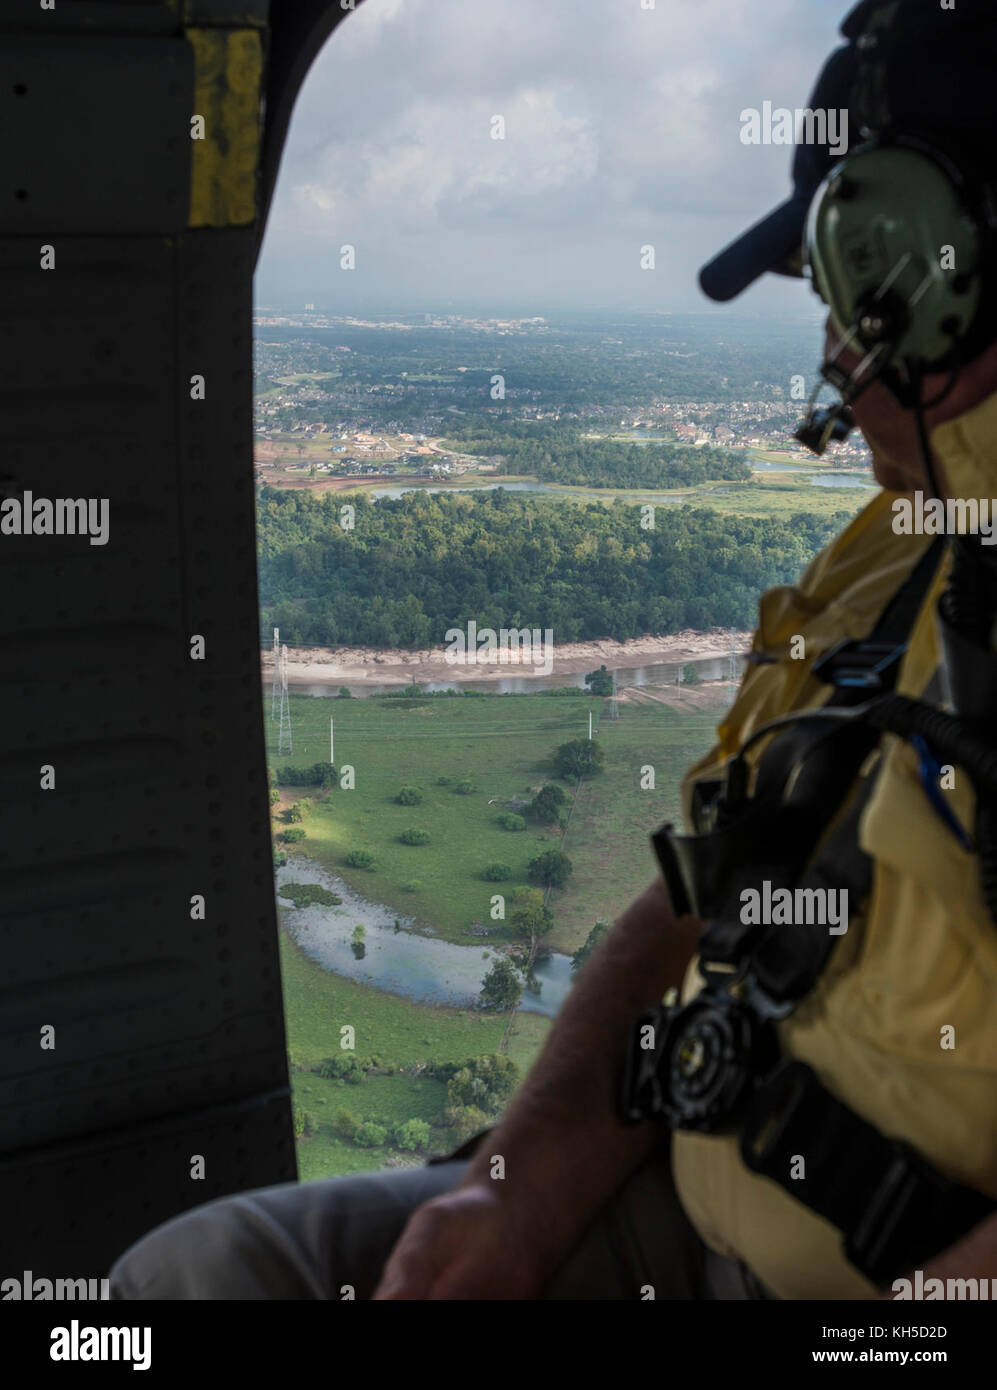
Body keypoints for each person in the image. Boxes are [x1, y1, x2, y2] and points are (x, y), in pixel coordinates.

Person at [110, 0, 997, 1300]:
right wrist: (512, 1190)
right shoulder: (894, 558)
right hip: (670, 1187)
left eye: (852, 298)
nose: (828, 359)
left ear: (938, 270)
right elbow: (700, 887)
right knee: (208, 1272)